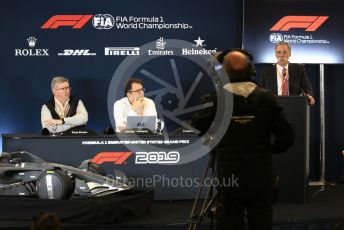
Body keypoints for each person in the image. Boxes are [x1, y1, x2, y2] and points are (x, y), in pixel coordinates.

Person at [214, 49, 295, 230]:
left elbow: (199, 126)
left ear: (224, 73)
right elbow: (287, 137)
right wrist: (270, 150)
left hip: (229, 178)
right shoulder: (266, 98)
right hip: (260, 176)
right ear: (252, 71)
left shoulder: (218, 99)